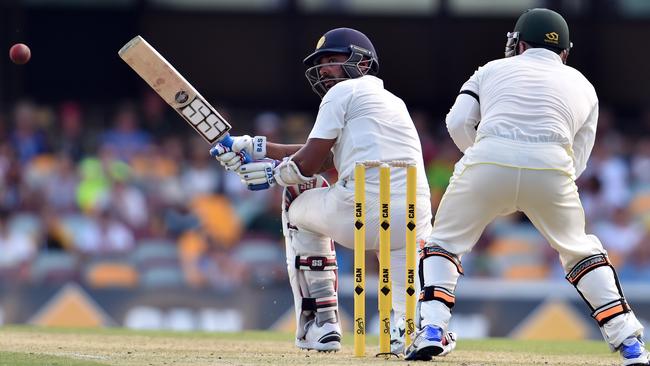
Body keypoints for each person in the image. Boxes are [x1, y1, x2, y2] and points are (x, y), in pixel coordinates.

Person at [405, 8, 650, 366]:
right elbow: (578, 159)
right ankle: (629, 342)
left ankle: (432, 329)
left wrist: (484, 157)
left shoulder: (490, 69)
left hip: (487, 159)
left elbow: (457, 121)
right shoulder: (584, 85)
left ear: (519, 44)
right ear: (564, 52)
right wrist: (541, 180)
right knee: (580, 251)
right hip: (551, 168)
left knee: (444, 242)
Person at [210, 28, 455, 354]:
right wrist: (254, 147)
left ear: (363, 63)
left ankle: (322, 323)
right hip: (413, 218)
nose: (324, 68)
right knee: (405, 309)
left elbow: (310, 164)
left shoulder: (341, 94)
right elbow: (325, 155)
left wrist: (272, 175)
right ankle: (405, 331)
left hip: (359, 211)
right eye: (321, 62)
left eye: (332, 60)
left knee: (300, 191)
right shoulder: (392, 102)